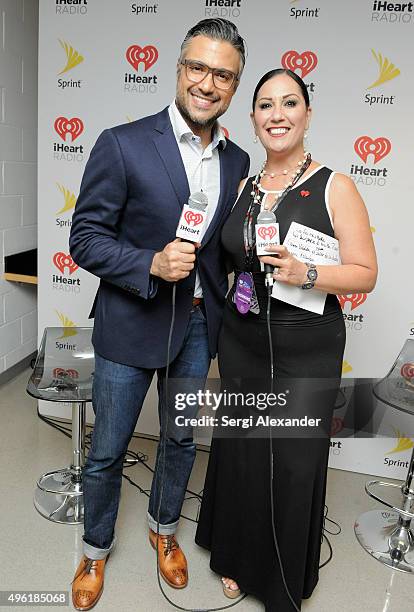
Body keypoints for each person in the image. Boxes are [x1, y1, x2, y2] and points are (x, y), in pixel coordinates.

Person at [68, 18, 249, 611]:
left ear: (234, 85)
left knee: (179, 440)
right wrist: (149, 262)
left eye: (223, 74)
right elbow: (86, 238)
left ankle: (163, 529)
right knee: (109, 447)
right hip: (130, 320)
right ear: (178, 69)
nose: (207, 82)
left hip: (198, 327)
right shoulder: (122, 143)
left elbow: (226, 249)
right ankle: (94, 551)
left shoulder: (237, 159)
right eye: (198, 67)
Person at [195, 68, 377, 611]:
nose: (278, 114)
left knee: (293, 461)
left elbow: (365, 273)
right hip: (243, 336)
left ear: (307, 114)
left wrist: (308, 274)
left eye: (289, 103)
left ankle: (279, 575)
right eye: (266, 105)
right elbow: (227, 257)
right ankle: (234, 556)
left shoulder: (334, 185)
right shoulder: (245, 186)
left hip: (307, 345)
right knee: (245, 453)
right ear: (251, 119)